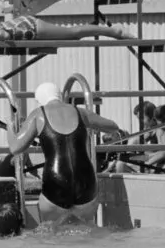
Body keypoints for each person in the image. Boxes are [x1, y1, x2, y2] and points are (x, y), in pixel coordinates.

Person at [7, 82, 121, 225]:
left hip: (56, 182)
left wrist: (10, 128)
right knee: (87, 234)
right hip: (86, 182)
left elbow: (15, 147)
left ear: (39, 99)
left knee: (51, 235)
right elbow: (113, 127)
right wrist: (90, 127)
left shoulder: (38, 114)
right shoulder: (80, 112)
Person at [0, 14, 135, 42]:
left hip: (27, 27)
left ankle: (113, 31)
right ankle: (111, 32)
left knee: (73, 33)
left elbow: (3, 34)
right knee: (73, 35)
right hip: (26, 33)